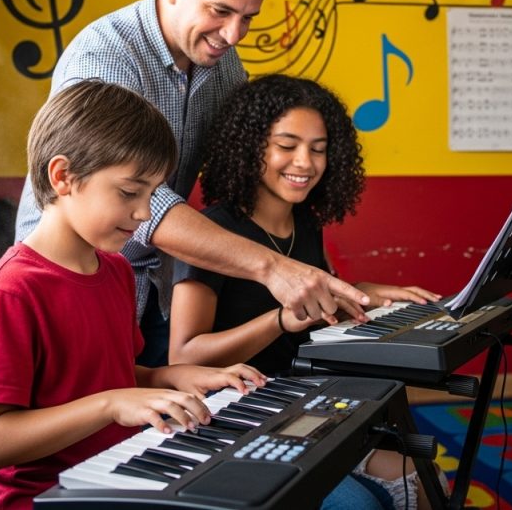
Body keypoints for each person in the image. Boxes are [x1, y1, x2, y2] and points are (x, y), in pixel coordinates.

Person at [14, 0, 369, 367]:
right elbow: (144, 205)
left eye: (247, 18)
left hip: (146, 283)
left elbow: (242, 164)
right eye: (220, 11)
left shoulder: (224, 65)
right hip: (69, 276)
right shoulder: (104, 55)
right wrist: (273, 267)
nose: (234, 34)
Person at [0, 80, 266, 509]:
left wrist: (174, 377)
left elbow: (115, 378)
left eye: (151, 195)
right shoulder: (11, 292)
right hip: (43, 500)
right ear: (63, 177)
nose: (143, 214)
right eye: (129, 193)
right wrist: (109, 405)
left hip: (115, 478)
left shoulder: (117, 271)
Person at [169, 74, 446, 509]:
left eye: (318, 149)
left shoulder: (306, 222)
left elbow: (319, 306)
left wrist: (363, 293)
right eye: (287, 145)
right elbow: (184, 356)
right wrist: (279, 320)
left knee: (426, 478)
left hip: (307, 404)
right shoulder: (215, 233)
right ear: (251, 146)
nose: (305, 162)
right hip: (241, 414)